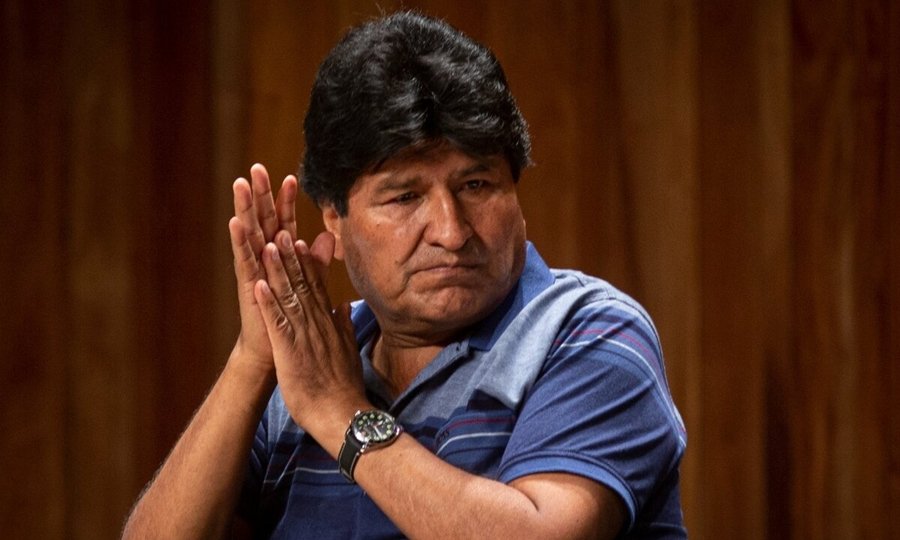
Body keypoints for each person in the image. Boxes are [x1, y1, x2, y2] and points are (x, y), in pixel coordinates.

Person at [123, 11, 687, 539]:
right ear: (334, 220)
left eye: (476, 185)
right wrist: (254, 362)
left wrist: (341, 415)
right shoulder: (314, 363)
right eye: (405, 196)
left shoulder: (590, 331)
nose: (451, 231)